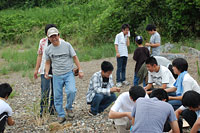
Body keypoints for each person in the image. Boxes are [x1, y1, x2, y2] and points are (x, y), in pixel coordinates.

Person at [45, 27, 84, 124]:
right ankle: (61, 115)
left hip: (68, 73)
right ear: (48, 38)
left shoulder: (67, 45)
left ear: (59, 35)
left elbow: (75, 57)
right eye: (51, 36)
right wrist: (46, 72)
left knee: (71, 91)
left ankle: (69, 107)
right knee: (57, 96)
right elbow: (47, 62)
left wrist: (80, 69)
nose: (54, 38)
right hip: (56, 75)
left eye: (55, 35)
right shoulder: (48, 49)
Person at [34, 24, 56, 117]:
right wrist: (36, 69)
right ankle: (42, 111)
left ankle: (52, 109)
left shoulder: (61, 42)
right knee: (45, 91)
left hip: (56, 70)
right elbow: (39, 55)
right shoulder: (42, 42)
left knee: (55, 91)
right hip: (44, 69)